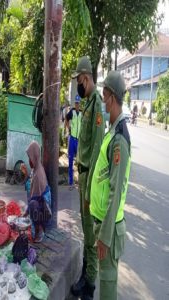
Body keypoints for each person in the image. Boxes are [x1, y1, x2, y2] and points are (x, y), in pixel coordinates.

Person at [90, 71, 131, 300]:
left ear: (112, 97)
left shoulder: (119, 140)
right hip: (104, 222)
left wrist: (104, 236)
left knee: (107, 283)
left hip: (110, 229)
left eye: (104, 96)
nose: (103, 101)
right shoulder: (112, 132)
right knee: (105, 279)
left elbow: (115, 193)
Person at [71, 56, 105, 299]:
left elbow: (96, 149)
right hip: (83, 176)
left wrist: (88, 189)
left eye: (79, 81)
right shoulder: (88, 104)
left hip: (90, 180)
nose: (78, 86)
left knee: (91, 238)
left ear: (85, 77)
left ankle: (89, 287)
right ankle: (85, 276)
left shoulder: (97, 105)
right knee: (86, 231)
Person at [21, 141, 52, 243]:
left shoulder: (38, 174)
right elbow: (30, 186)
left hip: (44, 208)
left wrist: (25, 213)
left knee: (32, 204)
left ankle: (41, 230)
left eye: (30, 158)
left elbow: (33, 198)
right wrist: (26, 174)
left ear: (35, 157)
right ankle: (38, 225)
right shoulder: (36, 169)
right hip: (40, 202)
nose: (29, 161)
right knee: (32, 204)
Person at [65, 95, 82, 189]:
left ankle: (79, 182)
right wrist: (68, 128)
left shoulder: (82, 114)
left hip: (79, 141)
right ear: (74, 104)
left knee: (79, 162)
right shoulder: (72, 112)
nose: (77, 105)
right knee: (71, 161)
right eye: (76, 103)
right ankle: (71, 182)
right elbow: (66, 119)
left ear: (80, 104)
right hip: (72, 139)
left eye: (78, 103)